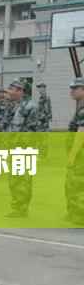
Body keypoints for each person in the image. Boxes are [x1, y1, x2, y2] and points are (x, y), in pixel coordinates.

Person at [5, 79, 38, 218]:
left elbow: (31, 131)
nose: (9, 92)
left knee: (23, 179)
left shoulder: (30, 106)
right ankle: (17, 206)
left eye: (12, 89)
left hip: (23, 149)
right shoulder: (15, 105)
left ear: (20, 91)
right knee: (14, 179)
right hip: (14, 148)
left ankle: (22, 208)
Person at [65, 77, 84, 225]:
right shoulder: (80, 107)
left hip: (80, 154)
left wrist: (72, 155)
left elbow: (81, 133)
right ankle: (74, 212)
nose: (71, 91)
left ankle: (79, 216)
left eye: (75, 88)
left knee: (77, 184)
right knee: (73, 183)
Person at [36, 82, 52, 158]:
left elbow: (47, 110)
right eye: (38, 88)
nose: (39, 89)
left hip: (43, 122)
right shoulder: (41, 97)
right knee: (41, 138)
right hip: (41, 121)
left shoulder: (45, 98)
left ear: (44, 88)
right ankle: (42, 154)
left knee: (43, 138)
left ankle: (43, 155)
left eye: (40, 87)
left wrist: (43, 118)